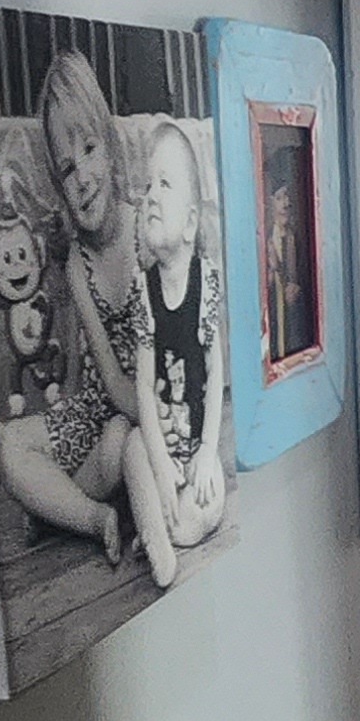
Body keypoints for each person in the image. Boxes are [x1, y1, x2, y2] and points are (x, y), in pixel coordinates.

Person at [0, 52, 148, 571]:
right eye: (67, 169)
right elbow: (104, 379)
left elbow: (155, 374)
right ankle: (91, 517)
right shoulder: (78, 263)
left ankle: (57, 508)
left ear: (111, 148)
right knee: (10, 447)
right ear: (59, 185)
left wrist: (156, 421)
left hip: (143, 416)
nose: (82, 178)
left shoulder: (144, 234)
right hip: (95, 410)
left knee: (122, 443)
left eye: (89, 150)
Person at [133, 119, 233, 568]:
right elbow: (142, 386)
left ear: (191, 222)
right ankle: (156, 529)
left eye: (165, 184)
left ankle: (158, 522)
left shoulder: (206, 282)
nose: (151, 195)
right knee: (133, 449)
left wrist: (207, 451)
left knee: (205, 507)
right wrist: (158, 461)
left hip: (193, 444)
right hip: (159, 439)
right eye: (147, 185)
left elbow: (214, 373)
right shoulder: (143, 289)